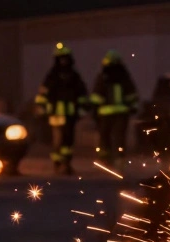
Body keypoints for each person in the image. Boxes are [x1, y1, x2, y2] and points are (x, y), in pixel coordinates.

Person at [34, 43, 88, 174]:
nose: (63, 61)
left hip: (70, 114)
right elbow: (43, 94)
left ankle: (66, 164)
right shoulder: (51, 76)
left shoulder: (74, 76)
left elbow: (82, 94)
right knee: (58, 140)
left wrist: (82, 110)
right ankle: (58, 164)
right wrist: (41, 108)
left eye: (65, 58)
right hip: (56, 113)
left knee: (68, 140)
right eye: (61, 58)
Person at [89, 50, 138, 166]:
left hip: (105, 114)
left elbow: (96, 96)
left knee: (105, 137)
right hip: (121, 113)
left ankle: (106, 159)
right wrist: (132, 107)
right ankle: (119, 159)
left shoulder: (103, 78)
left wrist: (95, 110)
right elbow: (132, 95)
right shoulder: (124, 78)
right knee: (119, 137)